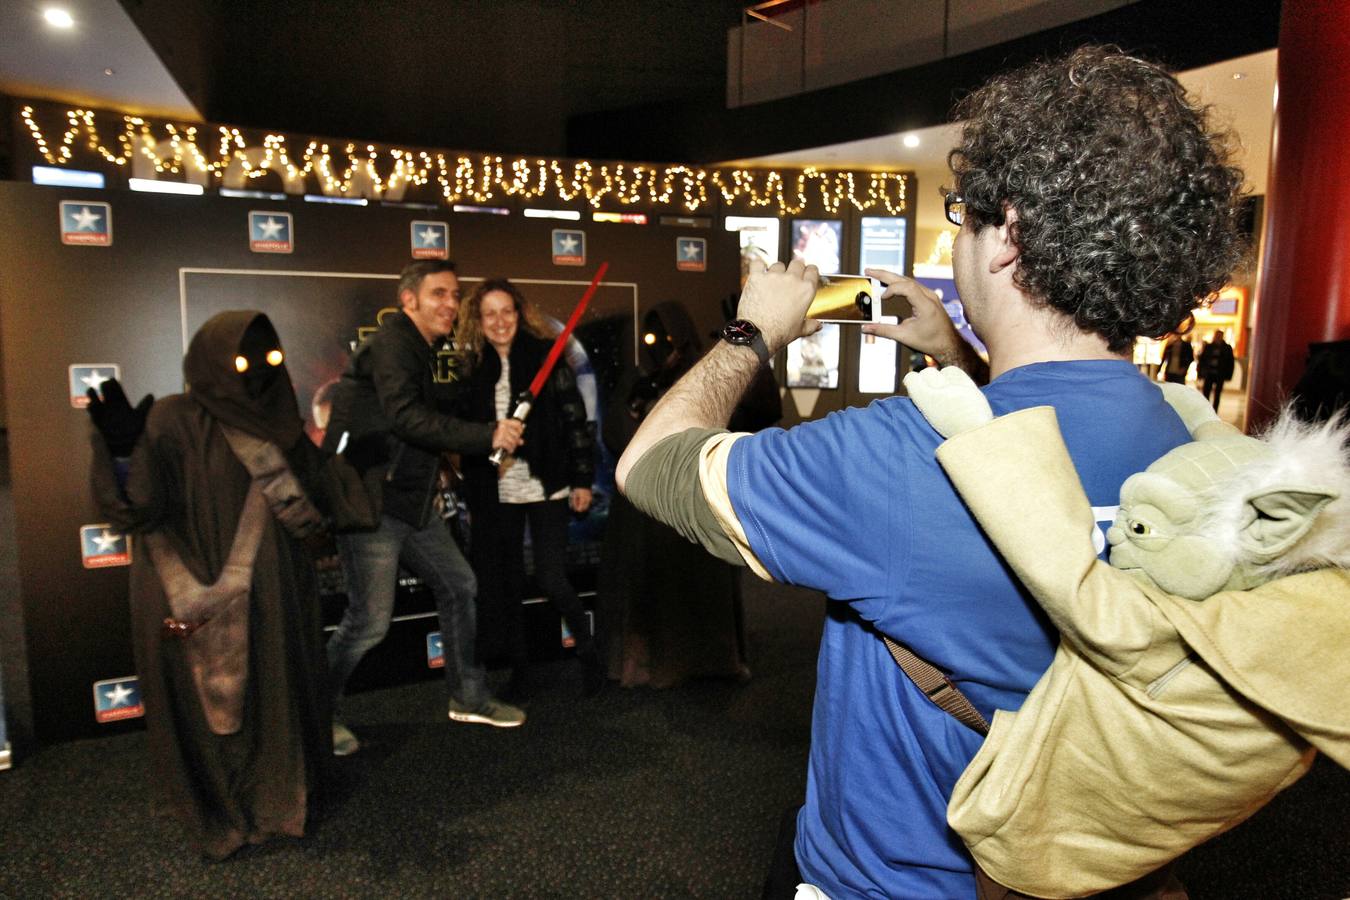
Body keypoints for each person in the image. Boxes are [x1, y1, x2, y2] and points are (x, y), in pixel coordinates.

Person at [614, 46, 1247, 898]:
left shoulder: (899, 459)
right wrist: (960, 355)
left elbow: (651, 464)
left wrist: (752, 333)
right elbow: (1046, 463)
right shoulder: (1194, 444)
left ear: (1008, 237)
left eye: (965, 217)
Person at [86, 312, 375, 860]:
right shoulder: (173, 419)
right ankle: (219, 813)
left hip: (274, 596)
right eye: (243, 360)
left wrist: (357, 459)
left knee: (277, 690)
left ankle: (277, 804)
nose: (259, 372)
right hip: (188, 592)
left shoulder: (281, 420)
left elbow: (330, 500)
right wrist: (124, 455)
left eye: (270, 359)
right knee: (205, 711)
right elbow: (134, 509)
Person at [323, 260, 526, 755]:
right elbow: (408, 418)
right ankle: (315, 713)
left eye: (456, 296)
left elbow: (433, 406)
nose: (451, 305)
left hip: (408, 502)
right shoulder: (394, 344)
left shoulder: (417, 348)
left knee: (459, 585)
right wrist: (489, 435)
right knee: (369, 622)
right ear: (408, 299)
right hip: (371, 504)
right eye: (439, 294)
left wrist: (487, 376)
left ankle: (469, 697)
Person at [456, 278, 603, 699]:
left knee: (551, 577)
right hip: (498, 492)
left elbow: (576, 423)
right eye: (490, 314)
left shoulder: (546, 359)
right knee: (507, 583)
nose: (500, 321)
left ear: (519, 314)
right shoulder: (475, 368)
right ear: (478, 321)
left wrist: (581, 480)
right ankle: (521, 670)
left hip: (548, 485)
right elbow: (466, 432)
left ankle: (590, 654)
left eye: (507, 311)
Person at [598, 302, 751, 688]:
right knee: (651, 589)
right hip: (645, 510)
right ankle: (652, 666)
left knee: (697, 588)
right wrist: (639, 404)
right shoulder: (637, 378)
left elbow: (729, 428)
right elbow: (615, 435)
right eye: (654, 336)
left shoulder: (705, 378)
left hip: (690, 498)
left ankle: (709, 661)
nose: (662, 344)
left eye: (668, 336)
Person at [1197, 328, 1235, 411]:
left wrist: (1229, 375)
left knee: (1217, 394)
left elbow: (1230, 362)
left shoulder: (1227, 348)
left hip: (1220, 374)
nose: (1218, 337)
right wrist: (1200, 373)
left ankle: (1215, 410)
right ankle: (1206, 409)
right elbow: (1202, 360)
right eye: (1216, 335)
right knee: (1206, 392)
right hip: (1209, 373)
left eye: (1219, 336)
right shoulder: (1209, 347)